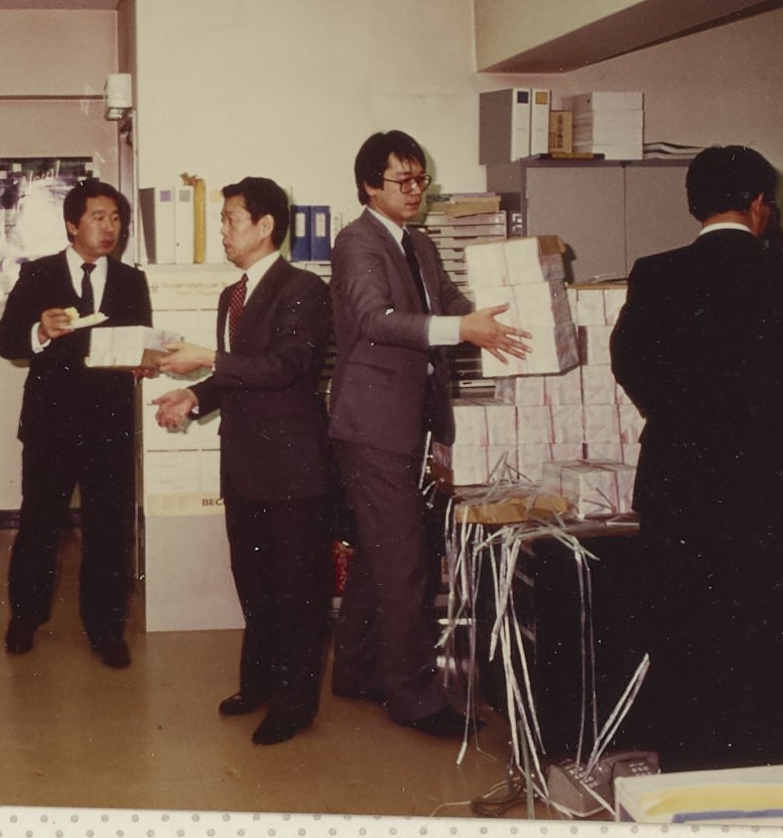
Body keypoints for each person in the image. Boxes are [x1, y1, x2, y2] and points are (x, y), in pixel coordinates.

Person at [608, 143, 783, 773]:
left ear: (695, 205)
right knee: (759, 641)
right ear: (758, 204)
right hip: (758, 490)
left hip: (676, 484)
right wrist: (774, 441)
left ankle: (687, 776)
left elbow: (628, 361)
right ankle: (759, 777)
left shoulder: (655, 273)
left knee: (683, 638)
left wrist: (677, 419)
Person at [326, 128, 527, 738]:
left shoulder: (418, 243)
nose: (415, 190)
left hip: (406, 419)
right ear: (370, 185)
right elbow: (376, 320)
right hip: (373, 425)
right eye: (402, 180)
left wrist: (506, 311)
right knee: (406, 559)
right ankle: (412, 697)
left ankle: (357, 670)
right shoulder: (357, 243)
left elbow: (451, 302)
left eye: (421, 179)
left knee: (380, 552)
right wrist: (462, 329)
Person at [154, 176, 335, 745]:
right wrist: (194, 396)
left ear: (265, 226)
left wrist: (208, 358)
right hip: (244, 463)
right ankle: (258, 684)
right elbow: (237, 375)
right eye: (224, 219)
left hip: (293, 468)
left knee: (297, 592)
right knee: (254, 583)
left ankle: (294, 705)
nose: (224, 230)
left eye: (231, 219)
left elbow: (284, 366)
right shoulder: (231, 295)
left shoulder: (304, 288)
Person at [0, 176, 156, 664]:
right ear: (71, 224)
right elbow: (6, 341)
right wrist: (39, 332)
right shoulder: (38, 274)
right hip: (51, 423)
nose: (109, 228)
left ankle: (106, 629)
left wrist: (142, 361)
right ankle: (25, 617)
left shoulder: (130, 280)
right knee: (40, 524)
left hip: (110, 424)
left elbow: (139, 343)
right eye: (98, 217)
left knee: (109, 528)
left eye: (116, 218)